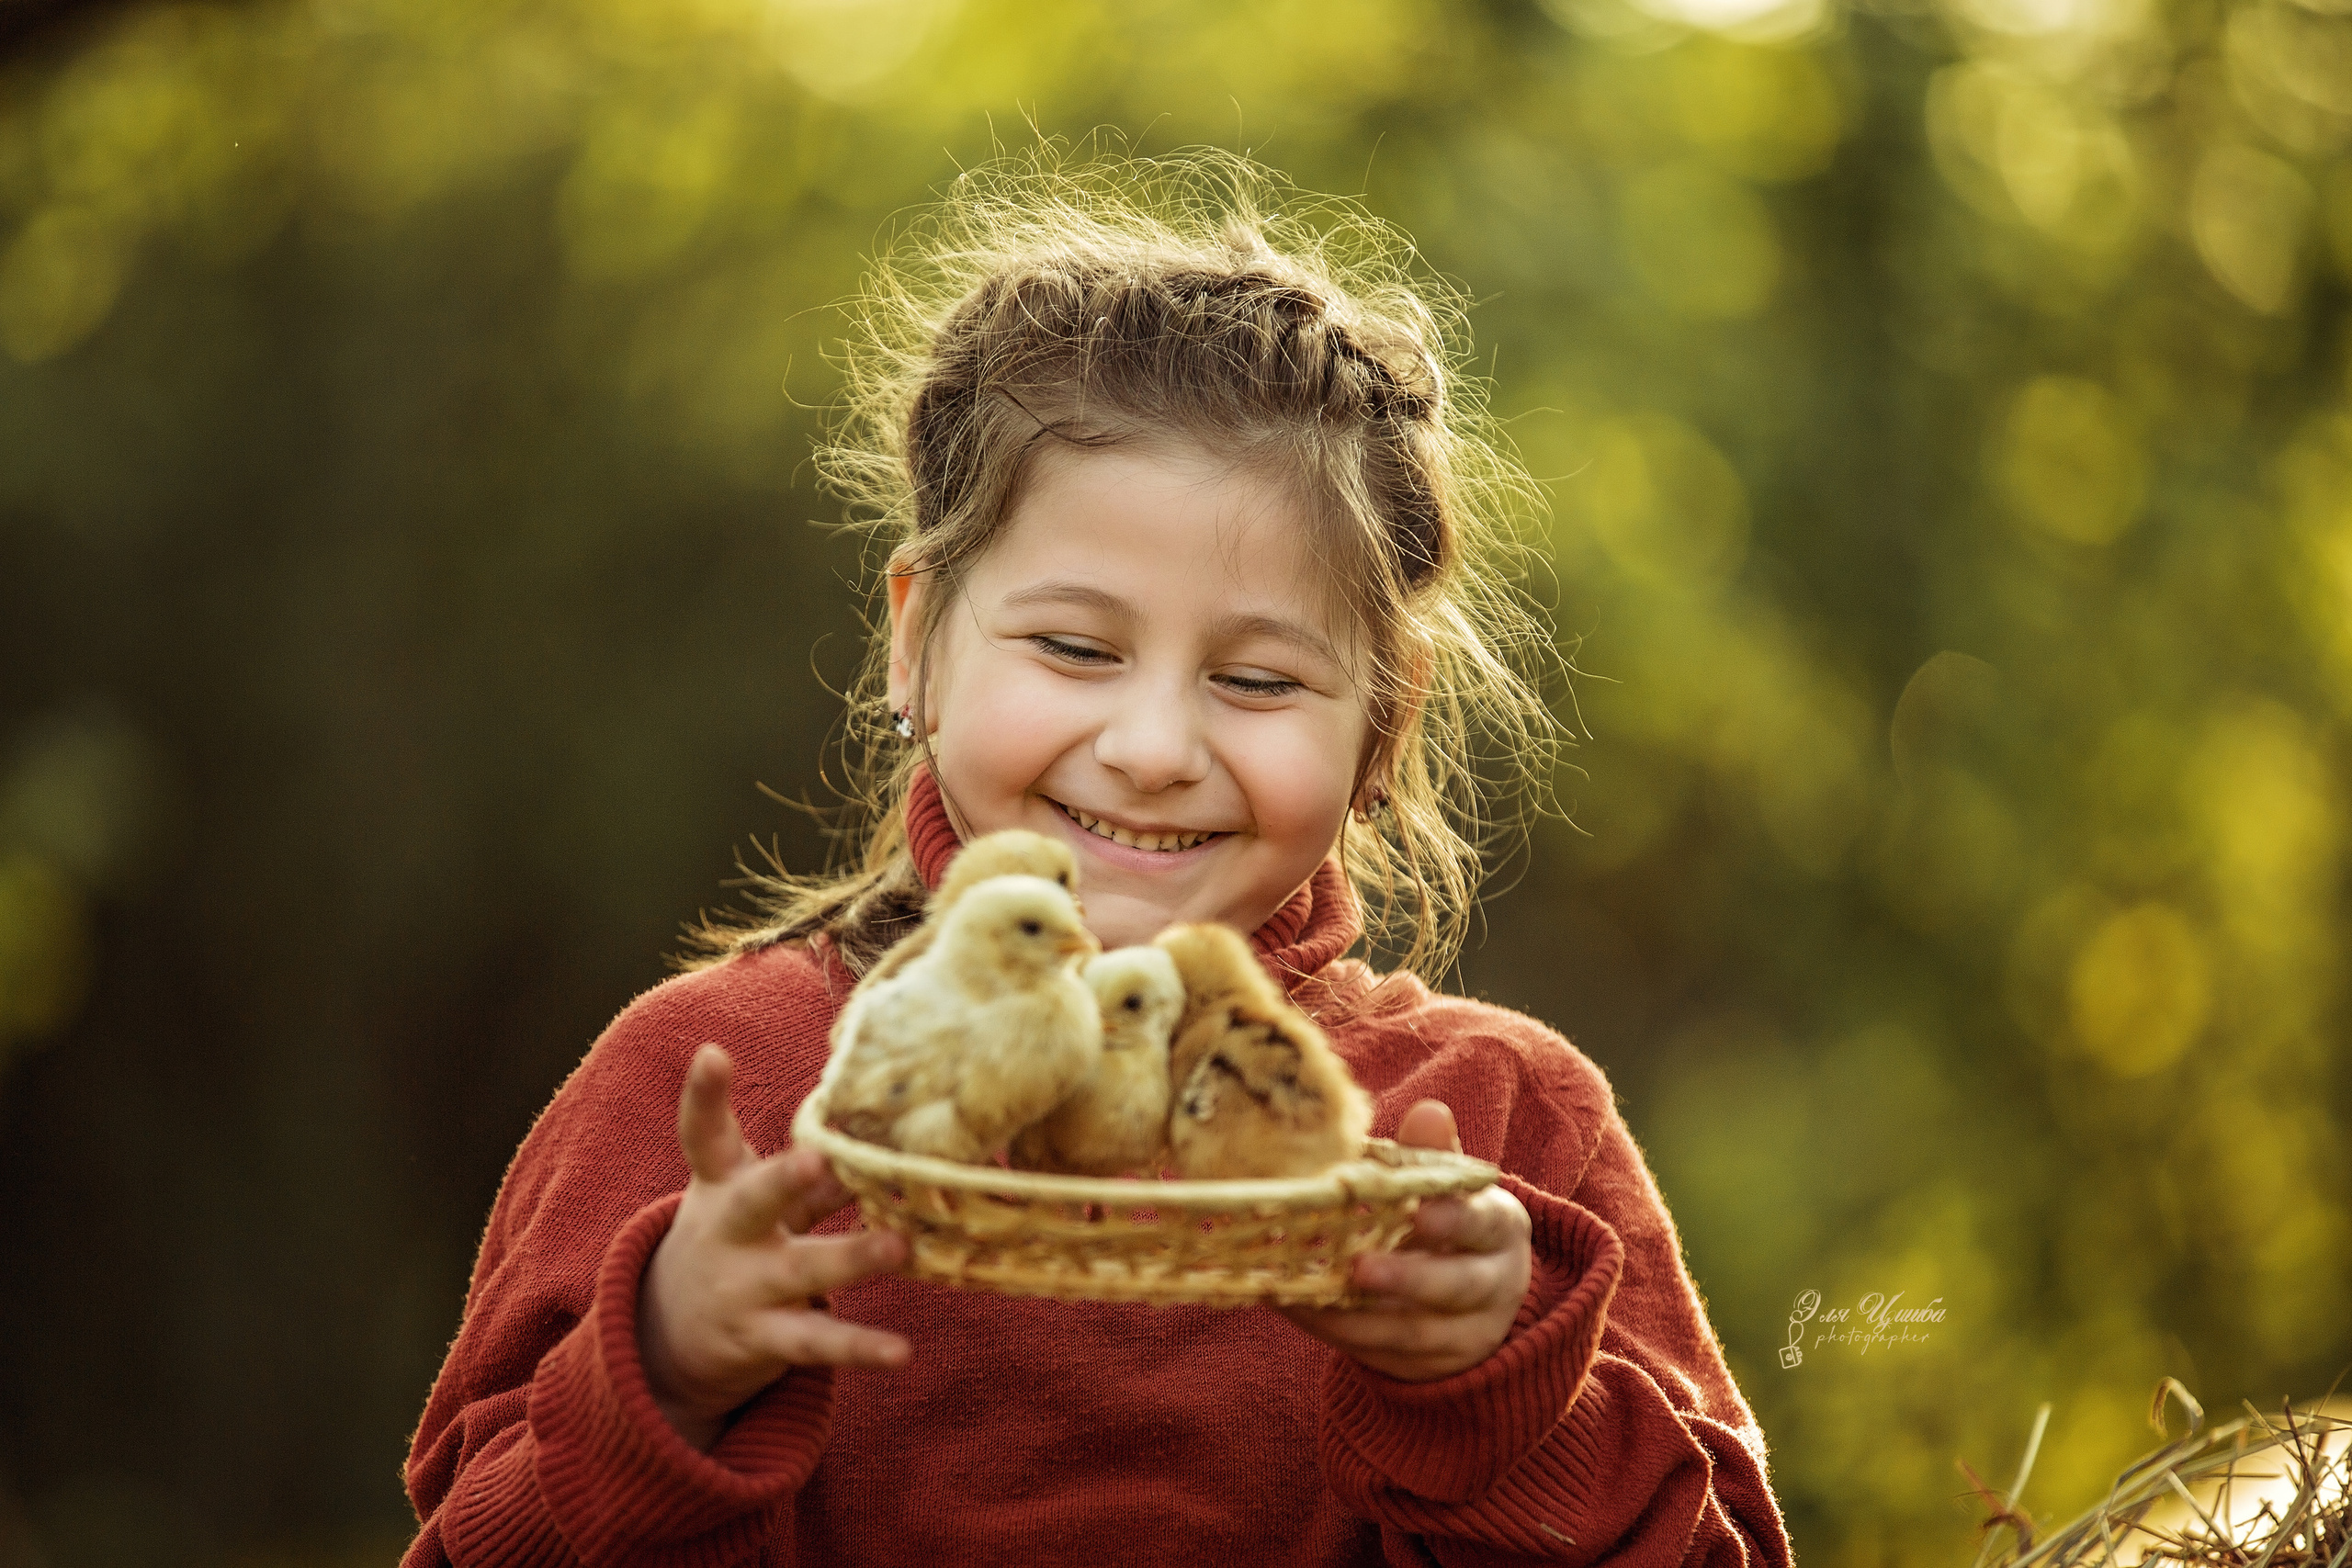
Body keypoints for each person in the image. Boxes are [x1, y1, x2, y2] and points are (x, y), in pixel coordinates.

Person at [401, 152, 1794, 1567]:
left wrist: (1498, 1399)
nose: (1152, 747)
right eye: (1075, 647)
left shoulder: (1489, 1135)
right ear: (915, 641)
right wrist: (663, 1376)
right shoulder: (712, 1092)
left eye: (1257, 681)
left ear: (1385, 723)